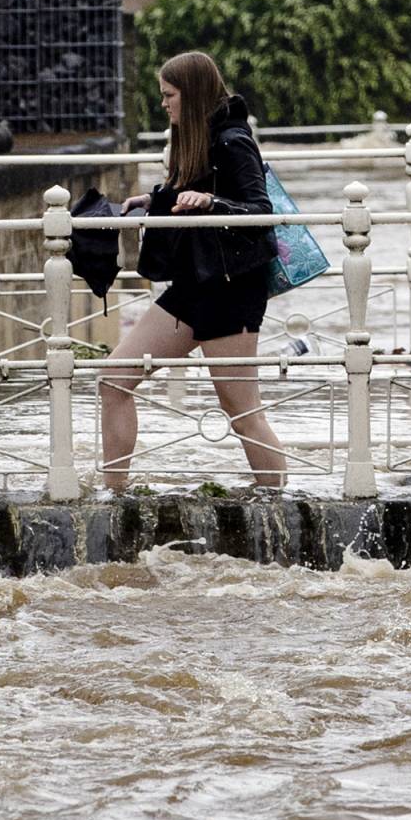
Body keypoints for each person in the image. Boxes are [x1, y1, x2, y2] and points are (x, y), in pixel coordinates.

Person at [96, 51, 287, 490]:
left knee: (241, 409)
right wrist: (155, 199)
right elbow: (190, 187)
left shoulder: (233, 139)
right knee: (114, 378)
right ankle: (113, 495)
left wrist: (212, 202)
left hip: (231, 288)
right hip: (192, 285)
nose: (164, 104)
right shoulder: (194, 136)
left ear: (193, 94)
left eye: (169, 95)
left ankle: (279, 505)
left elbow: (261, 210)